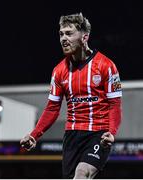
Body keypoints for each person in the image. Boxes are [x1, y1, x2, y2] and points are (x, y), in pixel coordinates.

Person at [20, 12, 122, 179]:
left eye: (69, 33)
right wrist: (34, 135)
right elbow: (52, 108)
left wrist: (112, 132)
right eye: (61, 34)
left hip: (98, 134)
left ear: (84, 37)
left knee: (82, 174)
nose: (63, 39)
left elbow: (115, 104)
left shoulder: (106, 66)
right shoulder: (59, 71)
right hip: (72, 137)